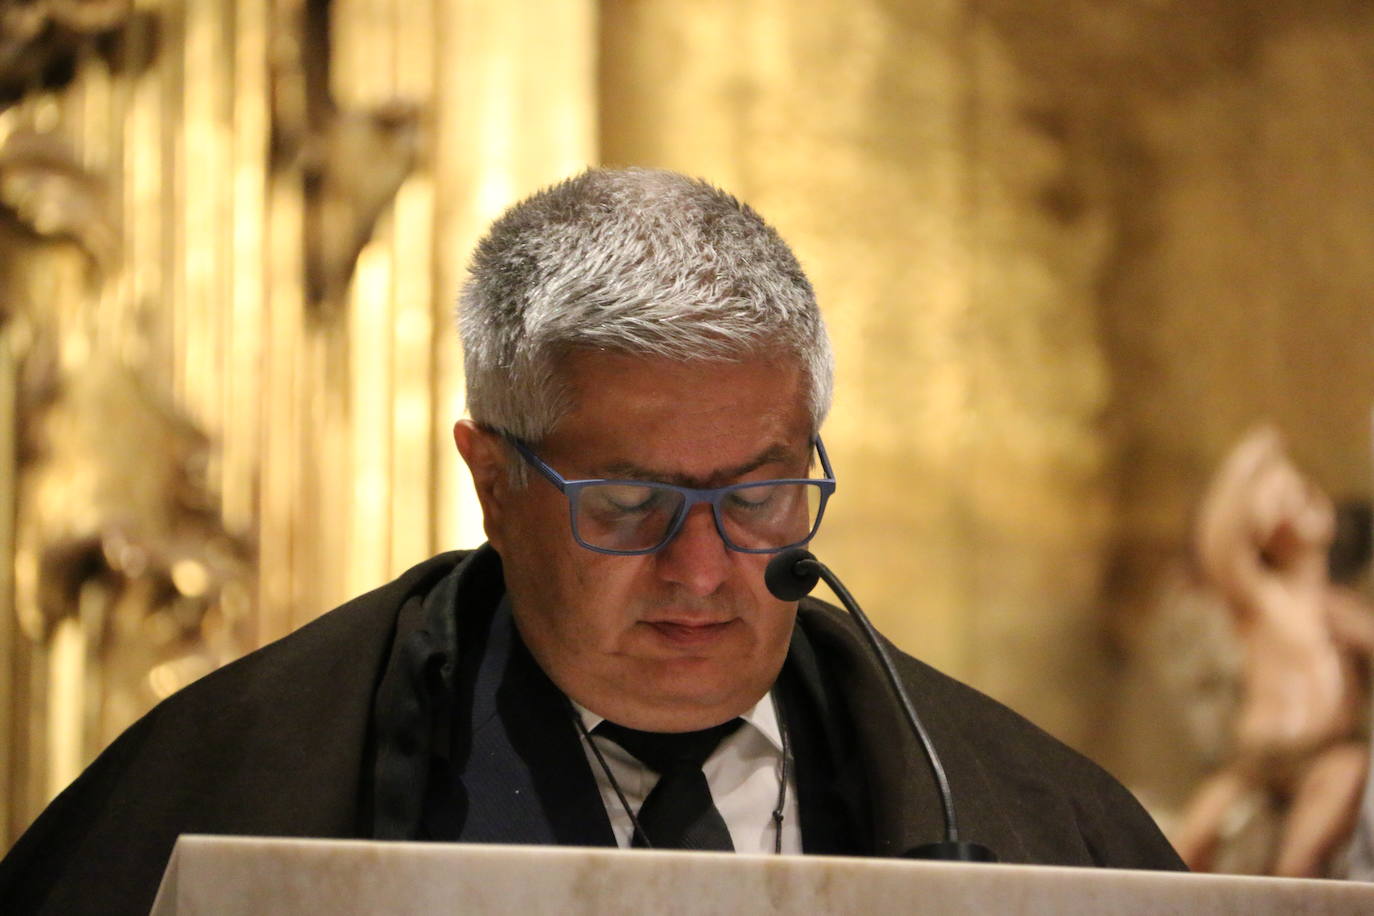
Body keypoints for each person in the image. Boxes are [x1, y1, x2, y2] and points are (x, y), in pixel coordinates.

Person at [0, 168, 1183, 915]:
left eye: (762, 495)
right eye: (627, 505)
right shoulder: (237, 783)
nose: (703, 569)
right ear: (492, 479)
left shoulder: (1035, 819)